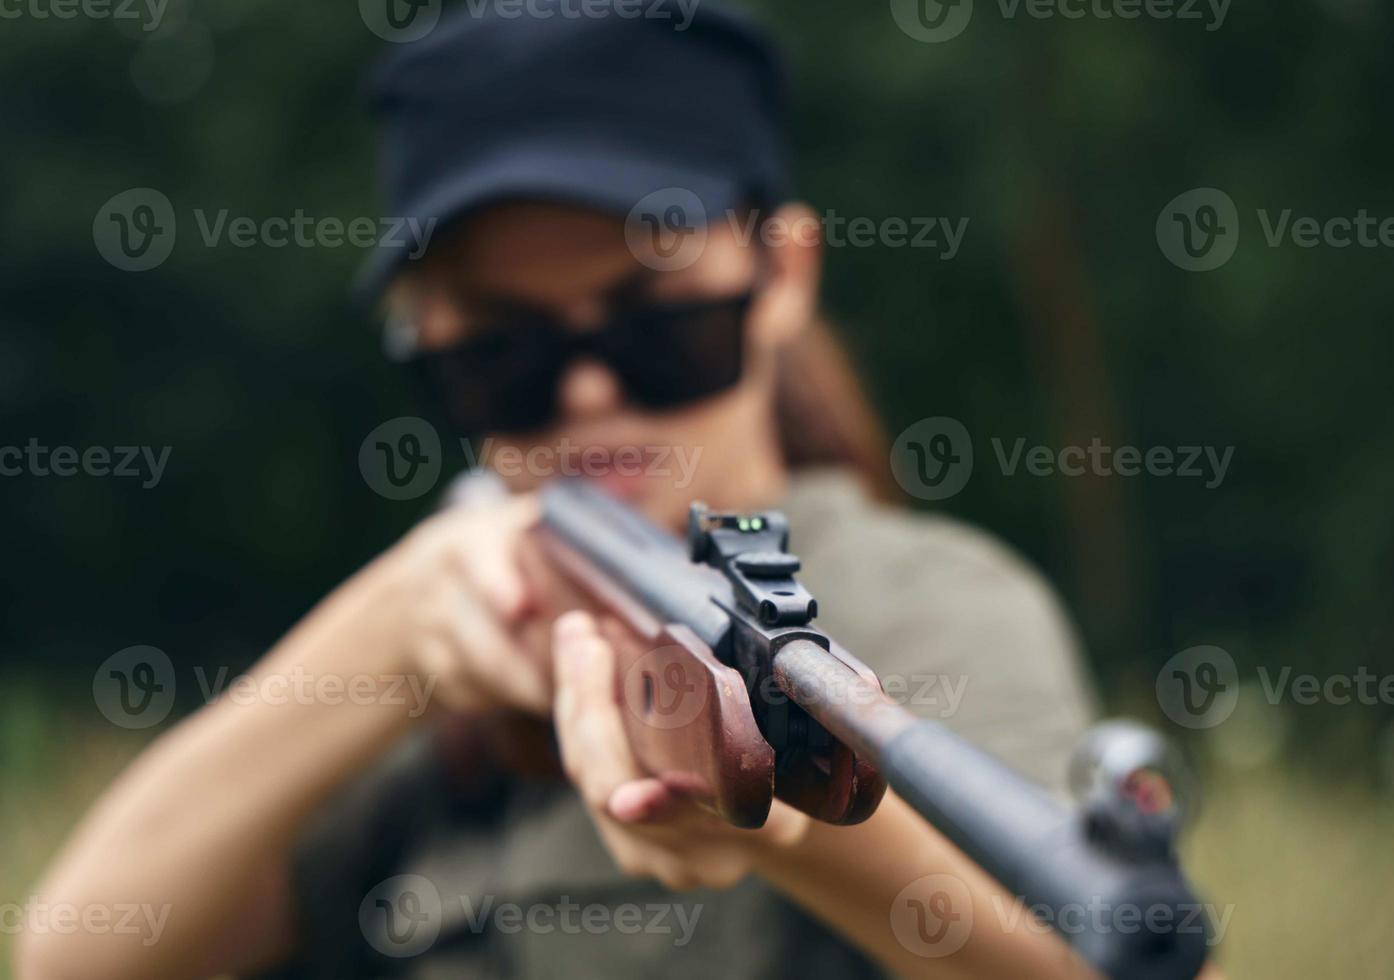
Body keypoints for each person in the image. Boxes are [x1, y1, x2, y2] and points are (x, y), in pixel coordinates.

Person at [18, 5, 1107, 978]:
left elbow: (1095, 950)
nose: (587, 389)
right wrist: (385, 636)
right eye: (505, 355)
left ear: (782, 278)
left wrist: (796, 814)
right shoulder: (434, 660)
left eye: (658, 326)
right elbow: (80, 949)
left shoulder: (926, 605)